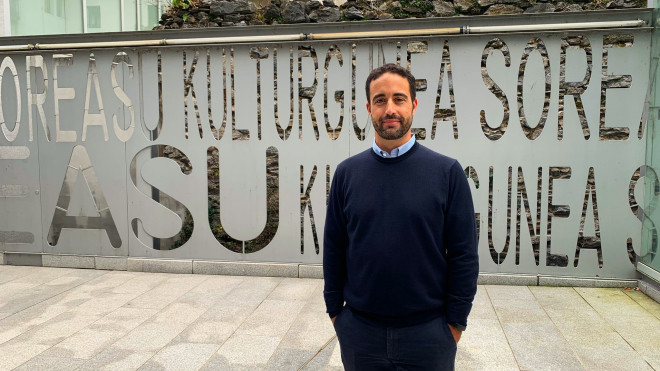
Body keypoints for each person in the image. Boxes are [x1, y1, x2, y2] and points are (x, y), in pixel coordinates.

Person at [323, 63, 479, 371]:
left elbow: (463, 254)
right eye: (380, 100)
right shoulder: (347, 173)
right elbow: (334, 247)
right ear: (369, 108)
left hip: (428, 335)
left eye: (399, 99)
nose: (389, 108)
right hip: (360, 334)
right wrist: (336, 313)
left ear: (414, 105)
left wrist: (455, 325)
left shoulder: (447, 172)